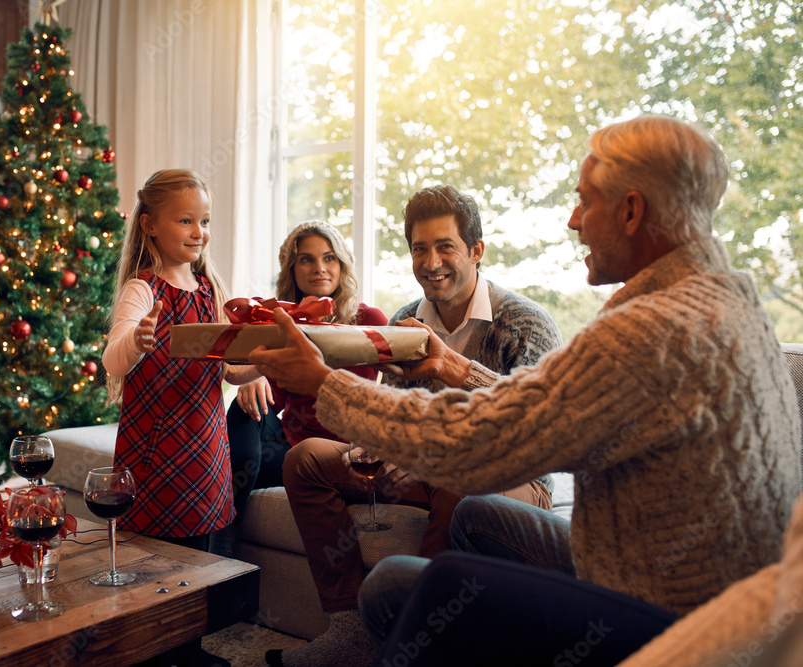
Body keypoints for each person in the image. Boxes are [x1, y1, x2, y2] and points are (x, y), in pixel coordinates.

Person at [248, 115, 802, 665]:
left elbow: (480, 446)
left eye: (586, 200)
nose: (573, 219)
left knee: (399, 584)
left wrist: (326, 383)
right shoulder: (726, 298)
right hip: (676, 586)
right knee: (477, 519)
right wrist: (455, 369)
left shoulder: (649, 330)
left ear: (632, 211)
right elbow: (546, 405)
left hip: (674, 624)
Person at [265, 185, 563, 667]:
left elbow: (535, 431)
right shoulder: (405, 321)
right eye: (419, 249)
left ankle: (421, 636)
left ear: (476, 251)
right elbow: (393, 411)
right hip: (425, 469)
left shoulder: (526, 323)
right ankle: (350, 628)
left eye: (445, 246)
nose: (431, 261)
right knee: (306, 460)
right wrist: (388, 450)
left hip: (512, 478)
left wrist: (447, 388)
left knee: (456, 475)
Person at [103, 169, 256, 554]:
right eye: (185, 220)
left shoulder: (212, 292)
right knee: (152, 560)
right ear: (149, 225)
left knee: (203, 559)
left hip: (206, 450)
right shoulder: (142, 290)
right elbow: (113, 361)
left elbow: (231, 371)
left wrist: (266, 364)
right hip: (154, 454)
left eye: (204, 221)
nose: (198, 231)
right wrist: (137, 341)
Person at [224, 220, 388, 530]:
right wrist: (254, 377)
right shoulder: (285, 324)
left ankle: (221, 525)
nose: (319, 267)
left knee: (238, 458)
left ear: (342, 265)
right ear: (293, 269)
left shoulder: (368, 319)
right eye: (306, 259)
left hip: (343, 450)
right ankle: (223, 541)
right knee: (241, 410)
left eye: (329, 258)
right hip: (290, 447)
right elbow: (274, 396)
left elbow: (398, 387)